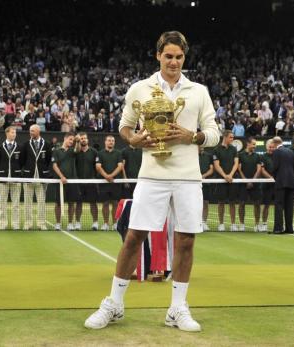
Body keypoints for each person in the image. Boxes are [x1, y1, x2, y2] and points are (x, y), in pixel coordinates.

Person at [84, 31, 219, 332]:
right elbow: (124, 127)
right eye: (168, 56)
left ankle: (177, 309)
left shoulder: (198, 91)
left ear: (185, 58)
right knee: (134, 237)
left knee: (186, 240)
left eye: (179, 57)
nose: (173, 61)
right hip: (151, 174)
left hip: (187, 177)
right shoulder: (139, 89)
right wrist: (134, 140)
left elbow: (214, 133)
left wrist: (192, 136)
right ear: (158, 55)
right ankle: (114, 304)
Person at [21, 124, 52, 230]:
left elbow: (48, 160)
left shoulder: (47, 144)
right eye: (30, 131)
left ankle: (41, 224)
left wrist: (44, 171)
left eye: (33, 131)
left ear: (39, 131)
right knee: (27, 202)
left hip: (42, 177)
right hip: (28, 177)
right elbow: (22, 160)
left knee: (41, 202)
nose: (31, 132)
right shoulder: (25, 144)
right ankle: (27, 224)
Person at [0, 126, 22, 230]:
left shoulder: (20, 147)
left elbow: (22, 161)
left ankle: (16, 224)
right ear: (7, 133)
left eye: (15, 132)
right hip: (3, 179)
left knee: (16, 204)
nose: (14, 134)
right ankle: (2, 224)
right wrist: (2, 172)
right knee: (2, 204)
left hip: (16, 179)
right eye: (12, 132)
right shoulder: (0, 147)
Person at [95, 135, 124, 231]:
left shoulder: (118, 153)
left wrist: (111, 176)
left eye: (112, 141)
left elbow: (120, 166)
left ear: (114, 142)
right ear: (105, 142)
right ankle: (106, 223)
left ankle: (115, 223)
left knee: (115, 203)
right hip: (104, 183)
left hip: (115, 183)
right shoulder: (100, 153)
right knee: (105, 203)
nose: (111, 142)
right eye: (109, 140)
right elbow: (98, 166)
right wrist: (106, 176)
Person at [213, 130, 239, 231]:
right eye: (231, 137)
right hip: (221, 180)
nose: (232, 139)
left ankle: (233, 224)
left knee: (232, 202)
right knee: (221, 202)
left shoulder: (234, 149)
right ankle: (221, 224)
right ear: (225, 137)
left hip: (232, 179)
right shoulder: (216, 150)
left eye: (233, 137)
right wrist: (225, 176)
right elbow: (216, 165)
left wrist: (231, 175)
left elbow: (236, 163)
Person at [52, 132, 79, 231]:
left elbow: (78, 149)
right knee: (58, 203)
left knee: (71, 203)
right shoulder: (56, 151)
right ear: (65, 138)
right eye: (70, 139)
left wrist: (78, 141)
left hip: (72, 181)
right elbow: (54, 165)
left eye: (73, 140)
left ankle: (70, 223)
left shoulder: (73, 151)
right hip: (60, 182)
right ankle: (58, 223)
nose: (71, 142)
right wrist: (62, 177)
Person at [271, 136, 294, 234]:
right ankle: (289, 229)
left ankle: (278, 229)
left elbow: (275, 167)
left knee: (279, 205)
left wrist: (276, 178)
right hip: (291, 182)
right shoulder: (290, 151)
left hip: (281, 182)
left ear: (274, 143)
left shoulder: (277, 152)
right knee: (289, 206)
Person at [75, 132, 99, 230]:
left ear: (87, 140)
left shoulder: (94, 152)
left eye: (85, 138)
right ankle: (77, 223)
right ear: (79, 140)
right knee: (78, 203)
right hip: (78, 183)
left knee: (93, 203)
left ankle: (95, 223)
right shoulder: (76, 152)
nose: (83, 140)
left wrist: (95, 178)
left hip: (91, 182)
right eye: (81, 138)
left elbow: (97, 167)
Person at [237, 137, 262, 232]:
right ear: (248, 144)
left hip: (254, 184)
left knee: (257, 204)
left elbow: (259, 169)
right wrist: (246, 181)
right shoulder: (240, 155)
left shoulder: (258, 156)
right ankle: (242, 224)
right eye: (253, 144)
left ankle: (256, 225)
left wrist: (252, 181)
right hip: (243, 184)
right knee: (242, 204)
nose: (254, 146)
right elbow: (239, 169)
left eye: (255, 144)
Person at [258, 140, 276, 232]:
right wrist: (271, 178)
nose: (271, 149)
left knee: (279, 205)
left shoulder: (278, 156)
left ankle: (279, 224)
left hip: (277, 185)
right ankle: (264, 224)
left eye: (273, 147)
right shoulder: (262, 157)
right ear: (266, 146)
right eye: (270, 147)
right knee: (266, 205)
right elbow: (262, 170)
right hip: (266, 185)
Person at [199, 146, 214, 231]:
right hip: (195, 183)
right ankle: (197, 222)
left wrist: (203, 176)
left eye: (202, 145)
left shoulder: (209, 156)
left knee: (205, 203)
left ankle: (204, 222)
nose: (201, 147)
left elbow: (211, 169)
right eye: (200, 145)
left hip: (206, 183)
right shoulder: (193, 156)